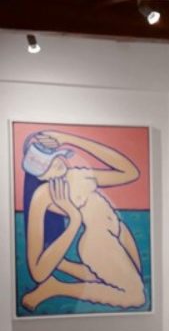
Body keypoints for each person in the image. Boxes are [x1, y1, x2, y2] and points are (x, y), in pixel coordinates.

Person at [20, 130, 146, 312]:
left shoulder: (76, 174)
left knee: (122, 279)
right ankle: (58, 288)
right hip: (98, 242)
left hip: (119, 231)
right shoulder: (42, 196)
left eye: (58, 157)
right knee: (136, 296)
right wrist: (74, 219)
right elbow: (37, 272)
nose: (59, 162)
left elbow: (130, 172)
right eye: (50, 163)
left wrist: (70, 139)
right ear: (39, 175)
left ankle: (57, 278)